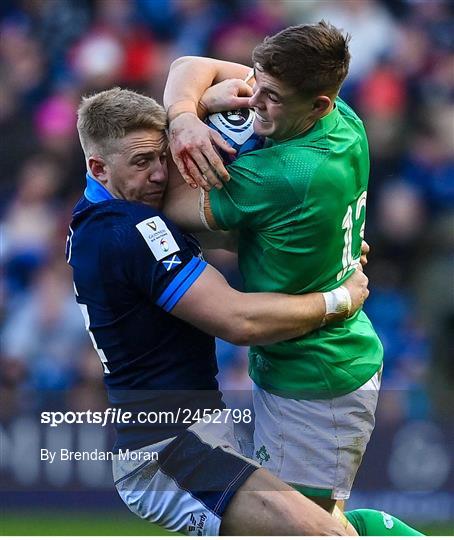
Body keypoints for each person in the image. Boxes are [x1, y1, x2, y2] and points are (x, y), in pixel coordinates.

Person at [68, 86, 372, 536]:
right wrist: (338, 299)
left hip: (198, 436)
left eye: (161, 157)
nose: (159, 175)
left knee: (335, 526)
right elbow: (237, 320)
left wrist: (325, 250)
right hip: (166, 455)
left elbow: (243, 239)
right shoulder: (126, 231)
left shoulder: (103, 216)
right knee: (325, 535)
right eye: (140, 163)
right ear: (98, 167)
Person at [162, 21, 384, 516]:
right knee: (319, 523)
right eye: (256, 82)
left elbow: (162, 195)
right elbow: (190, 66)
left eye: (272, 96)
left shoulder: (291, 173)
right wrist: (184, 117)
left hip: (313, 376)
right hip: (317, 363)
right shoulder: (339, 119)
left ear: (319, 103)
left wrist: (194, 111)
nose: (253, 99)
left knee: (308, 529)